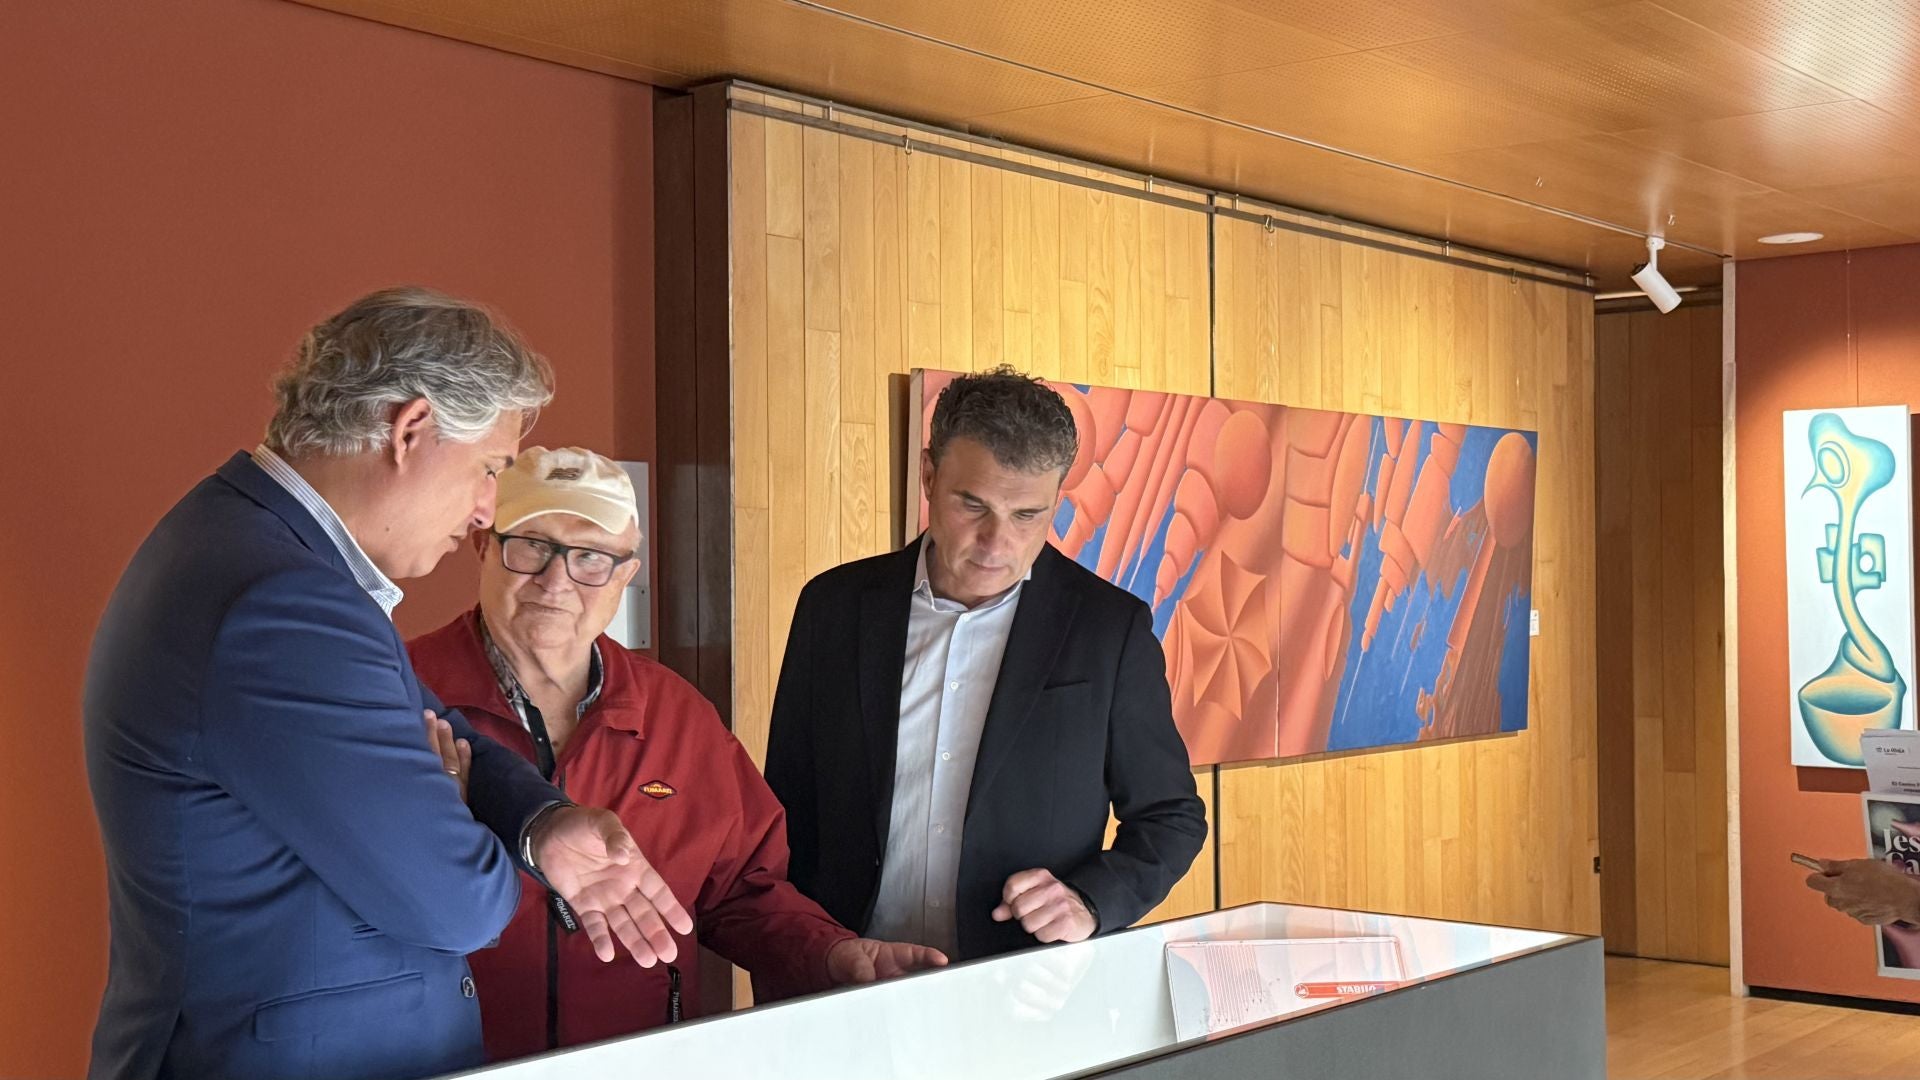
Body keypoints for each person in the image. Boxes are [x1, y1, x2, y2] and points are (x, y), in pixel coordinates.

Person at [84, 288, 692, 1080]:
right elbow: (458, 903)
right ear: (411, 430)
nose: (484, 511)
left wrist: (541, 824)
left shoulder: (263, 552)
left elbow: (440, 726)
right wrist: (448, 797)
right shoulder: (282, 599)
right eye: (490, 471)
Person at [407, 446, 944, 1060]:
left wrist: (831, 953)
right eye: (531, 546)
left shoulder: (676, 715)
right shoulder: (399, 691)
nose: (556, 581)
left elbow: (744, 890)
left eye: (590, 557)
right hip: (446, 1064)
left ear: (624, 575)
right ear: (484, 546)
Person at [763, 365, 1209, 963]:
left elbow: (1170, 816)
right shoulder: (833, 607)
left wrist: (1091, 900)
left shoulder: (1109, 630)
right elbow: (786, 802)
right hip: (849, 978)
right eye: (972, 505)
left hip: (1024, 985)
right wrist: (799, 956)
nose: (997, 543)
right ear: (928, 476)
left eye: (1028, 515)